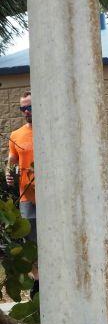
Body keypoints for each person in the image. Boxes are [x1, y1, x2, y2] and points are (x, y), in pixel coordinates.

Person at [5, 89, 39, 299]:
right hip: (26, 198)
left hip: (50, 197)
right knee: (30, 244)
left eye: (30, 107)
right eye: (23, 108)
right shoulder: (16, 135)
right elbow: (11, 162)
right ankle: (38, 282)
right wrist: (8, 173)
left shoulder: (50, 129)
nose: (27, 111)